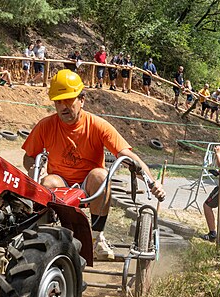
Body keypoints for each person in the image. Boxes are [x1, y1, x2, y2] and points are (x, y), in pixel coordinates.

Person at [21, 69, 165, 260]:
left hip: (90, 187)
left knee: (101, 175)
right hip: (61, 185)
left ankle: (97, 239)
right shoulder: (45, 126)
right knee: (48, 182)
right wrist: (33, 167)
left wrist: (152, 183)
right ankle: (50, 238)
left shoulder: (97, 125)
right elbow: (29, 156)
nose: (63, 106)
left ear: (82, 100)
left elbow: (127, 156)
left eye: (68, 100)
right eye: (58, 102)